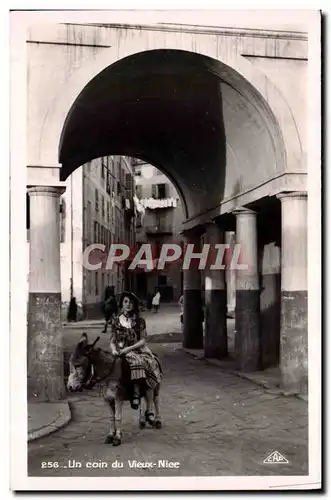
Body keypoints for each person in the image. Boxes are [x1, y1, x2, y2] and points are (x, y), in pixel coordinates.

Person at [109, 291, 163, 421]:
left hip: (137, 349)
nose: (128, 304)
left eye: (131, 302)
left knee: (145, 363)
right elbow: (112, 340)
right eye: (126, 301)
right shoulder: (116, 321)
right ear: (122, 303)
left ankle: (138, 393)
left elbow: (143, 340)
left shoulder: (139, 321)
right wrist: (114, 350)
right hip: (121, 351)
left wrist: (129, 348)